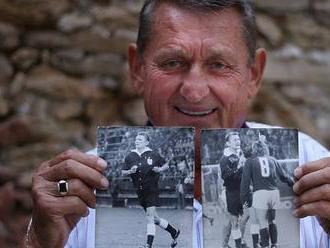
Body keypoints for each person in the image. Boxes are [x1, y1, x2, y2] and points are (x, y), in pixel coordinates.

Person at [27, 1, 330, 248]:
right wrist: (39, 242)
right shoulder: (83, 188)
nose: (194, 90)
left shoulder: (310, 165)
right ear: (137, 69)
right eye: (172, 63)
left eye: (218, 65)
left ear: (253, 76)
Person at [121, 132, 180, 248]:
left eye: (140, 140)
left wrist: (160, 169)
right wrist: (129, 172)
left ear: (147, 142)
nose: (137, 141)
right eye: (136, 139)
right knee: (155, 219)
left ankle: (148, 245)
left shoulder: (153, 154)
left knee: (149, 217)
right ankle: (174, 231)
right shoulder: (130, 156)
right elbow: (123, 172)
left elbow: (166, 165)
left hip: (151, 188)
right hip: (140, 190)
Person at [241, 140, 295, 248]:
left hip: (260, 193)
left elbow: (245, 183)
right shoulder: (273, 160)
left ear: (254, 150)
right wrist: (293, 183)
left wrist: (245, 199)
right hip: (274, 193)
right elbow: (284, 176)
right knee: (272, 220)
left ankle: (265, 246)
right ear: (265, 148)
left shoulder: (250, 161)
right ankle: (274, 244)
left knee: (262, 223)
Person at [220, 132, 249, 248]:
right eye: (234, 140)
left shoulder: (240, 154)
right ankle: (231, 244)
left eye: (238, 139)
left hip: (243, 192)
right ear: (227, 143)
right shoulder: (225, 158)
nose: (238, 141)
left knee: (246, 216)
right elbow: (225, 176)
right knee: (232, 222)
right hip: (230, 193)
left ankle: (240, 241)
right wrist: (239, 168)